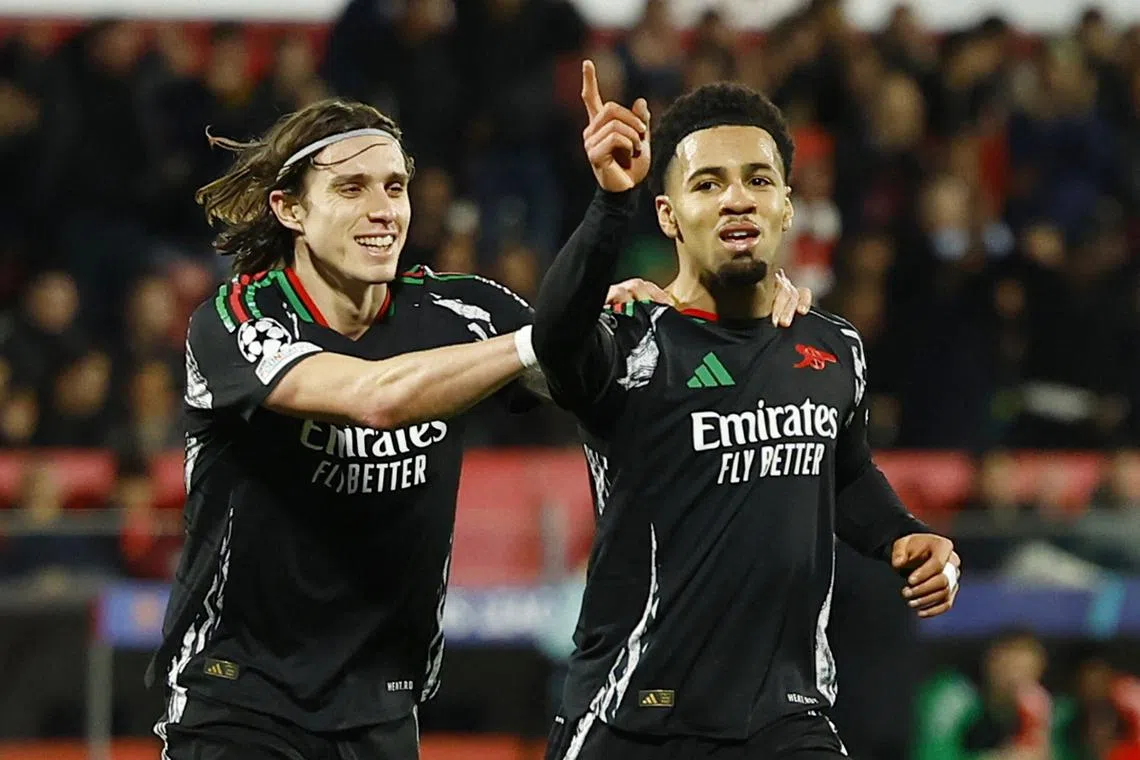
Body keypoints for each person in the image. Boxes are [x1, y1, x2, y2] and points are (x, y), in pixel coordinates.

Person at [147, 96, 815, 760]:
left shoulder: (462, 309)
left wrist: (744, 305)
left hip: (382, 707)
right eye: (351, 188)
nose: (383, 210)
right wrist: (536, 342)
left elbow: (604, 380)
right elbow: (373, 397)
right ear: (290, 208)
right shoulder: (237, 319)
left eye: (396, 187)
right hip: (238, 703)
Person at [532, 62, 962, 760]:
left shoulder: (833, 346)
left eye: (759, 180)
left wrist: (901, 536)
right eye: (708, 183)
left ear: (787, 206)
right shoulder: (631, 337)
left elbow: (844, 471)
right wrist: (612, 203)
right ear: (668, 214)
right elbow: (554, 337)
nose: (738, 198)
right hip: (636, 712)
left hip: (786, 717)